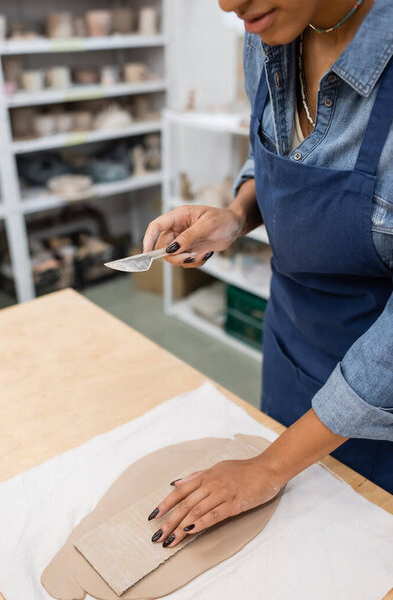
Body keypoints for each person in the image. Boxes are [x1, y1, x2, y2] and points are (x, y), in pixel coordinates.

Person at [142, 0, 393, 549]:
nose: (229, 3)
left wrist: (269, 467)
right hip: (289, 352)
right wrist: (236, 216)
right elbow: (276, 154)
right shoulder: (270, 31)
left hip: (380, 394)